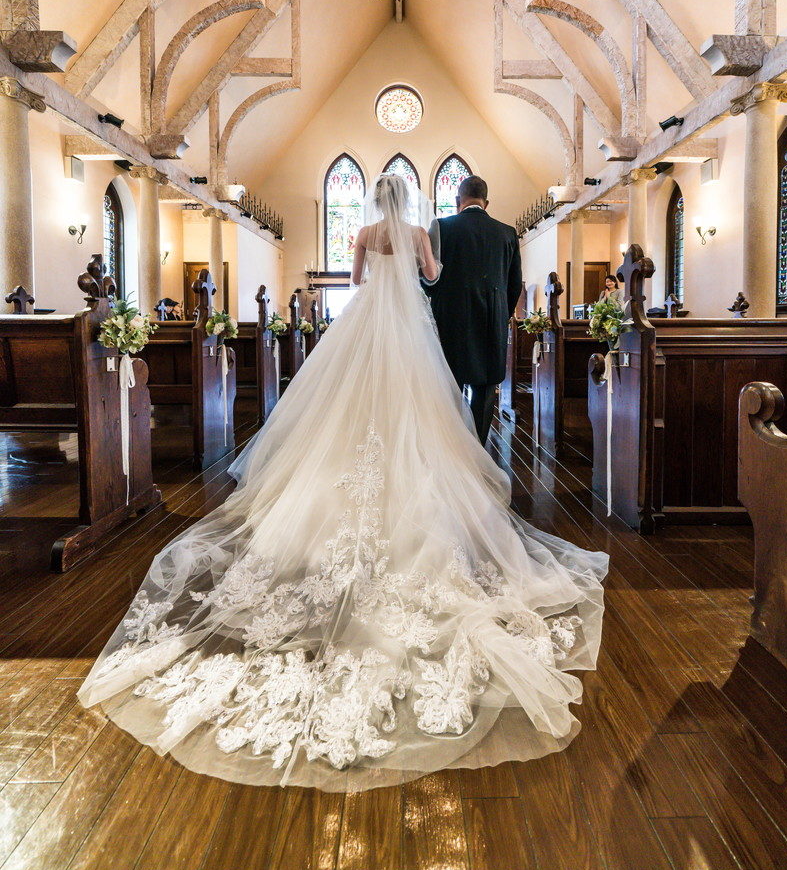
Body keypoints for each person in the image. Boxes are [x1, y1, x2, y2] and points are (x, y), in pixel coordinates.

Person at [78, 174, 607, 793]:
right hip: (410, 334)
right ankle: (419, 478)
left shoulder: (362, 234)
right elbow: (432, 276)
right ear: (405, 203)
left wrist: (383, 279)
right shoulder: (416, 233)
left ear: (368, 203)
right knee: (419, 413)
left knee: (352, 411)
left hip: (366, 329)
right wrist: (417, 277)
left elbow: (355, 283)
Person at [424, 175, 522, 446]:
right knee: (485, 389)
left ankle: (452, 448)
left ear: (458, 201)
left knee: (449, 387)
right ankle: (477, 448)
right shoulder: (507, 233)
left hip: (450, 323)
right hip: (491, 323)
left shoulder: (441, 227)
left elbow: (429, 279)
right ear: (486, 203)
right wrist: (501, 314)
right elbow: (514, 285)